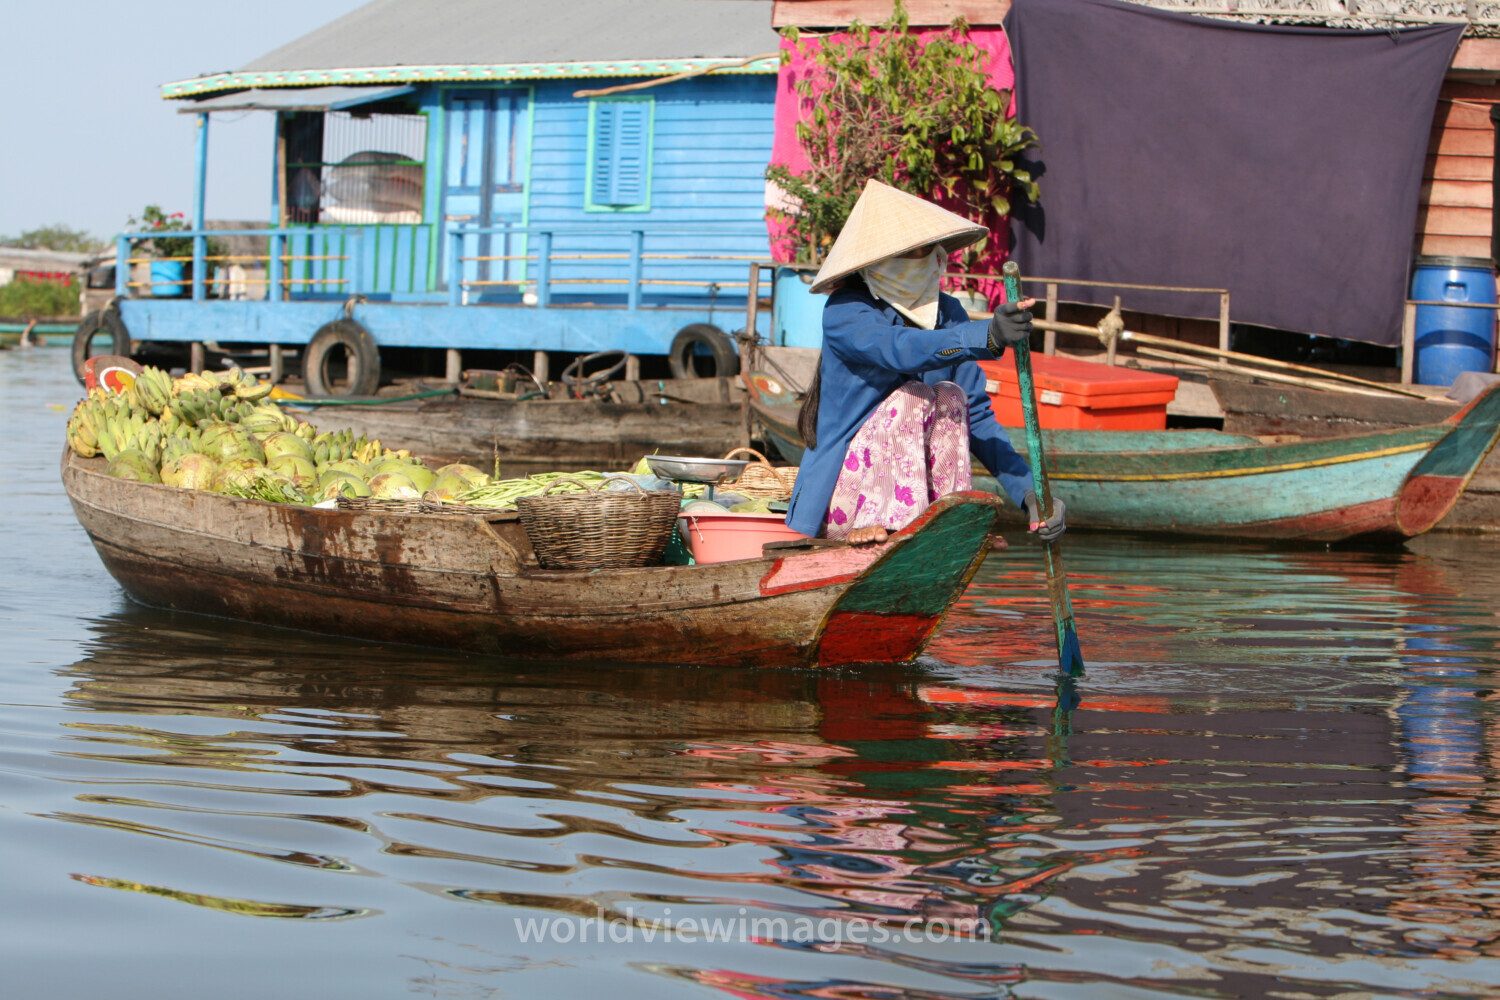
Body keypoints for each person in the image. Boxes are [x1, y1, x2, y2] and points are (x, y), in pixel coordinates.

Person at [783, 179, 1066, 546]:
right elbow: (899, 348)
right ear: (880, 263)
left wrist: (1031, 493)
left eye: (933, 248)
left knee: (951, 397)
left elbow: (976, 415)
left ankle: (945, 520)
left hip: (920, 505)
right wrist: (987, 336)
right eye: (916, 251)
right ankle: (885, 522)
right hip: (843, 503)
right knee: (913, 395)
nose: (934, 259)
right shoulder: (847, 310)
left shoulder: (948, 313)